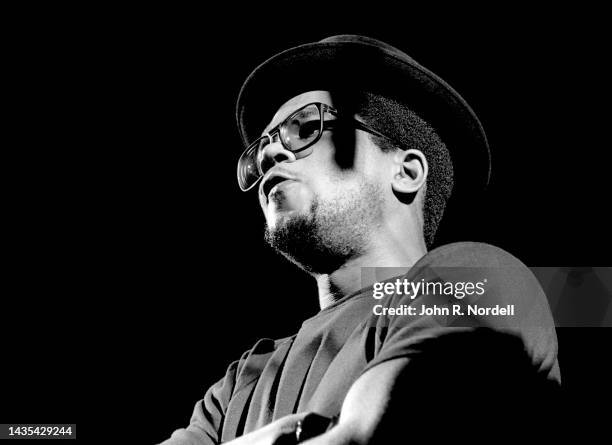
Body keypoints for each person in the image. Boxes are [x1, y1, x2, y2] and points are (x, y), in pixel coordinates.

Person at [160, 35, 561, 445]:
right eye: (262, 147)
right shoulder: (238, 384)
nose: (267, 157)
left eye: (305, 128)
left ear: (406, 172)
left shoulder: (482, 279)